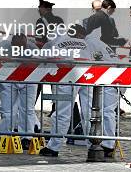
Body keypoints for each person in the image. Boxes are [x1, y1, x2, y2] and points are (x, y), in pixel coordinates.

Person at [39, 24, 92, 157]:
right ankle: (94, 145)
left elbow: (49, 57)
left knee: (62, 113)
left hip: (66, 77)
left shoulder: (60, 40)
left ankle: (54, 147)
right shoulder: (87, 44)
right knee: (89, 112)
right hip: (87, 76)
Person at [0, 33, 39, 151]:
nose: (20, 49)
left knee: (28, 109)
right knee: (6, 109)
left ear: (26, 43)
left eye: (23, 47)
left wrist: (19, 60)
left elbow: (38, 64)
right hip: (9, 79)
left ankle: (27, 137)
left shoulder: (33, 49)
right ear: (11, 44)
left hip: (29, 80)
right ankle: (3, 136)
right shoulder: (3, 46)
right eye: (17, 47)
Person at [85, 25, 120, 157]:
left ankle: (108, 144)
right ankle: (108, 143)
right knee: (108, 112)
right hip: (112, 77)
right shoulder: (98, 42)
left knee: (107, 112)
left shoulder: (89, 43)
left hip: (108, 78)